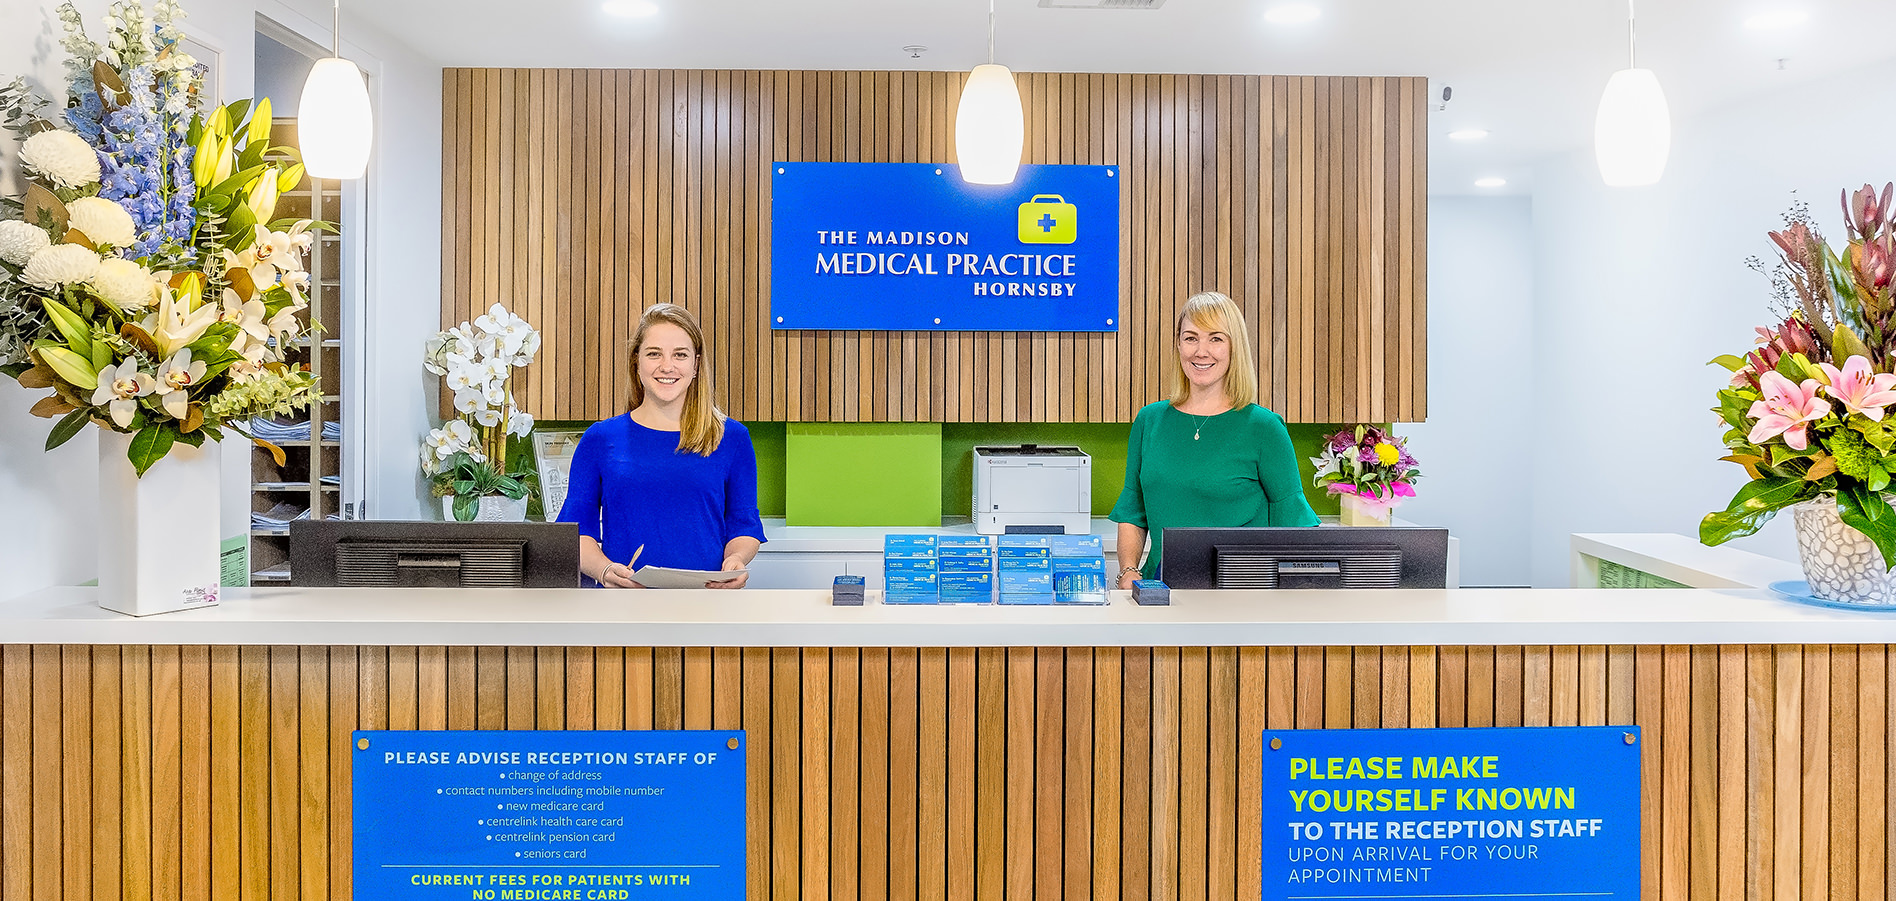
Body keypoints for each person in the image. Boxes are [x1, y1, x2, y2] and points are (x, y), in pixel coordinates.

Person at [1110, 291, 1318, 589]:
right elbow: (1133, 509)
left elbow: (1295, 524)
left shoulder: (1264, 427)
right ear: (1178, 345)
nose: (1201, 351)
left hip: (1241, 592)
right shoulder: (1149, 420)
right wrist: (1128, 572)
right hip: (1161, 588)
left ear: (1234, 348)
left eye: (1216, 339)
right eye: (1191, 338)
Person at [557, 303, 766, 588]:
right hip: (623, 608)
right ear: (637, 362)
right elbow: (575, 533)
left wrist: (736, 560)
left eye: (680, 355)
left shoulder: (732, 437)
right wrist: (604, 570)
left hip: (706, 604)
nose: (667, 366)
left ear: (695, 365)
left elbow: (744, 526)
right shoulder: (600, 439)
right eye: (654, 354)